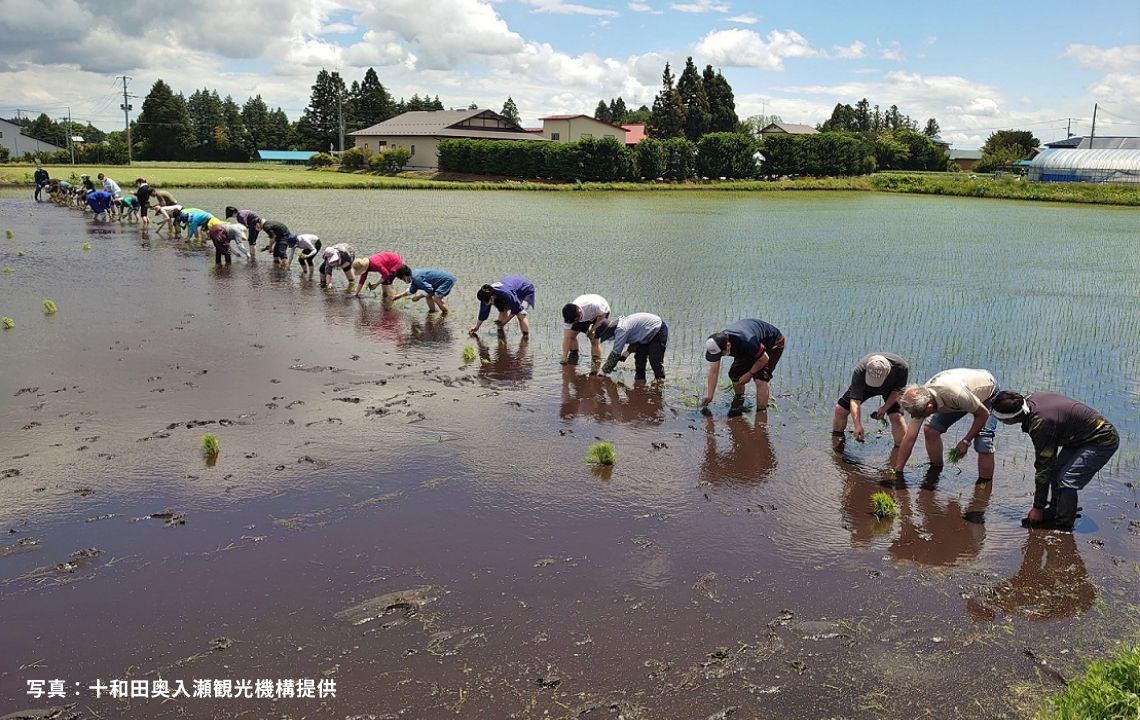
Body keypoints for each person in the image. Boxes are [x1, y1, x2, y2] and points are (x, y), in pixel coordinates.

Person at [991, 390, 1119, 531]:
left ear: (1008, 419)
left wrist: (1037, 508)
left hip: (1101, 439)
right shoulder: (1030, 400)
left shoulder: (1041, 423)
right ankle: (1059, 509)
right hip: (1079, 437)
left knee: (1068, 479)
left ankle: (1064, 526)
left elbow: (1043, 467)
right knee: (1057, 470)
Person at [893, 368, 998, 482]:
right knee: (930, 430)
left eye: (917, 415)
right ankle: (936, 469)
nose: (914, 417)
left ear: (929, 407)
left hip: (987, 393)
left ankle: (984, 487)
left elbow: (983, 414)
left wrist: (966, 441)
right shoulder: (919, 401)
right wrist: (899, 471)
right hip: (959, 399)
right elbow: (909, 438)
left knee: (983, 441)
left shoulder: (956, 394)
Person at [702, 318, 785, 416]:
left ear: (728, 346)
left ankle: (761, 415)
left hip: (773, 343)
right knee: (734, 374)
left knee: (760, 378)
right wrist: (710, 395)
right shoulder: (717, 343)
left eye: (721, 354)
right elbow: (713, 371)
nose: (719, 356)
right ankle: (739, 399)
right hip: (749, 348)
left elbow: (764, 359)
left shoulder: (747, 341)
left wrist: (749, 374)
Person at [832, 353, 909, 447]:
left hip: (891, 389)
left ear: (888, 372)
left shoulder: (901, 368)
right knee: (840, 410)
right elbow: (855, 401)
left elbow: (897, 391)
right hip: (866, 388)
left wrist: (885, 408)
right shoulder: (861, 370)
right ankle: (837, 443)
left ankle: (900, 450)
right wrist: (857, 425)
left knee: (897, 418)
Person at [595, 312, 669, 381]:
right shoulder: (620, 325)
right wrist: (628, 351)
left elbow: (615, 353)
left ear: (609, 333)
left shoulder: (621, 330)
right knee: (639, 358)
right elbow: (637, 335)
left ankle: (660, 382)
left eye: (607, 338)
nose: (609, 340)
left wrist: (603, 371)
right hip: (646, 332)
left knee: (655, 360)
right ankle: (640, 382)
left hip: (658, 329)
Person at [468, 275, 535, 337]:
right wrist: (477, 327)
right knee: (502, 309)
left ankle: (525, 339)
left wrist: (504, 322)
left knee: (521, 315)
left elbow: (515, 310)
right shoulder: (485, 295)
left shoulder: (506, 294)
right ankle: (501, 335)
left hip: (525, 288)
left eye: (486, 302)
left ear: (492, 298)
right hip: (509, 285)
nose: (484, 303)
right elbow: (483, 313)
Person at [560, 294, 610, 366]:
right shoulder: (569, 315)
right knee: (571, 335)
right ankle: (574, 356)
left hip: (600, 314)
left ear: (579, 312)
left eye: (575, 320)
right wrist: (564, 358)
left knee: (594, 340)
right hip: (583, 315)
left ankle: (595, 364)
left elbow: (603, 315)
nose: (573, 323)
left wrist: (593, 329)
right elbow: (566, 337)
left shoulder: (594, 306)